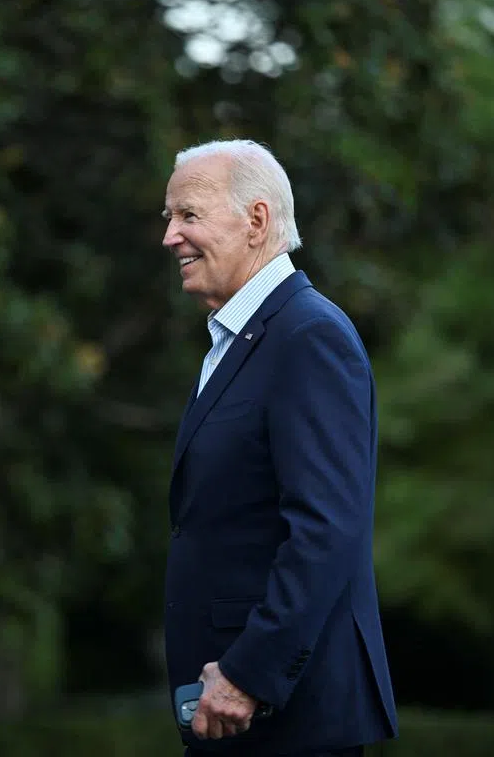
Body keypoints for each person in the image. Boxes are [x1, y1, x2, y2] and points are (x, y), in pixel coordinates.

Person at [160, 140, 398, 757]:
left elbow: (326, 530)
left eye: (188, 215)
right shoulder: (242, 340)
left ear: (257, 221)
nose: (170, 238)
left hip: (285, 716)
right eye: (169, 218)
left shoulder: (308, 336)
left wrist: (248, 676)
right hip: (234, 710)